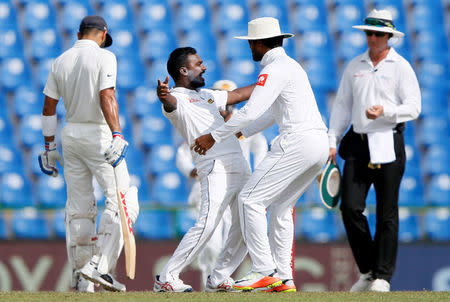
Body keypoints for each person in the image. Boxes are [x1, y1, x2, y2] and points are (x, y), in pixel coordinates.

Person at [193, 17, 329, 292]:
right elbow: (268, 114)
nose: (249, 49)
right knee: (280, 208)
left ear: (259, 43)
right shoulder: (291, 66)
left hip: (297, 141)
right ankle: (284, 277)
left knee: (250, 199)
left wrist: (214, 135)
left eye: (251, 43)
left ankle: (263, 270)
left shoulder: (274, 69)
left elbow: (251, 110)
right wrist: (240, 133)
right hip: (318, 143)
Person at [38, 15, 139, 292]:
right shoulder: (105, 57)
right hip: (99, 136)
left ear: (79, 33)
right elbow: (107, 96)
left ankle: (82, 278)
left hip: (70, 136)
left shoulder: (60, 60)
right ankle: (100, 268)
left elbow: (48, 108)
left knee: (80, 208)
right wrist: (117, 132)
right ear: (103, 34)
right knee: (124, 201)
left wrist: (49, 148)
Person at [327, 9, 421, 292]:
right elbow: (342, 105)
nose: (373, 38)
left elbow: (414, 107)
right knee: (350, 207)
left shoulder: (400, 66)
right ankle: (368, 270)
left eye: (379, 34)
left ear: (389, 37)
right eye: (369, 33)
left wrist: (387, 111)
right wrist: (332, 139)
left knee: (386, 211)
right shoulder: (355, 65)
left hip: (389, 139)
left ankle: (382, 275)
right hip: (358, 141)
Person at [153, 47, 258, 292]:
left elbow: (239, 94)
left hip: (239, 163)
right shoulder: (177, 98)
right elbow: (168, 104)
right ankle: (166, 277)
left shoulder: (208, 95)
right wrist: (162, 95)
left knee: (246, 222)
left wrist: (271, 80)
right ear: (183, 70)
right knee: (208, 224)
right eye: (198, 63)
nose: (204, 67)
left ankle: (219, 277)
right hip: (214, 167)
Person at [175, 79, 268, 290]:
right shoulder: (205, 121)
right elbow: (183, 152)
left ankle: (217, 282)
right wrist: (192, 171)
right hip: (210, 183)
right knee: (212, 243)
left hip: (238, 184)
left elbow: (260, 145)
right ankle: (207, 285)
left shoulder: (241, 122)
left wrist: (257, 173)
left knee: (235, 237)